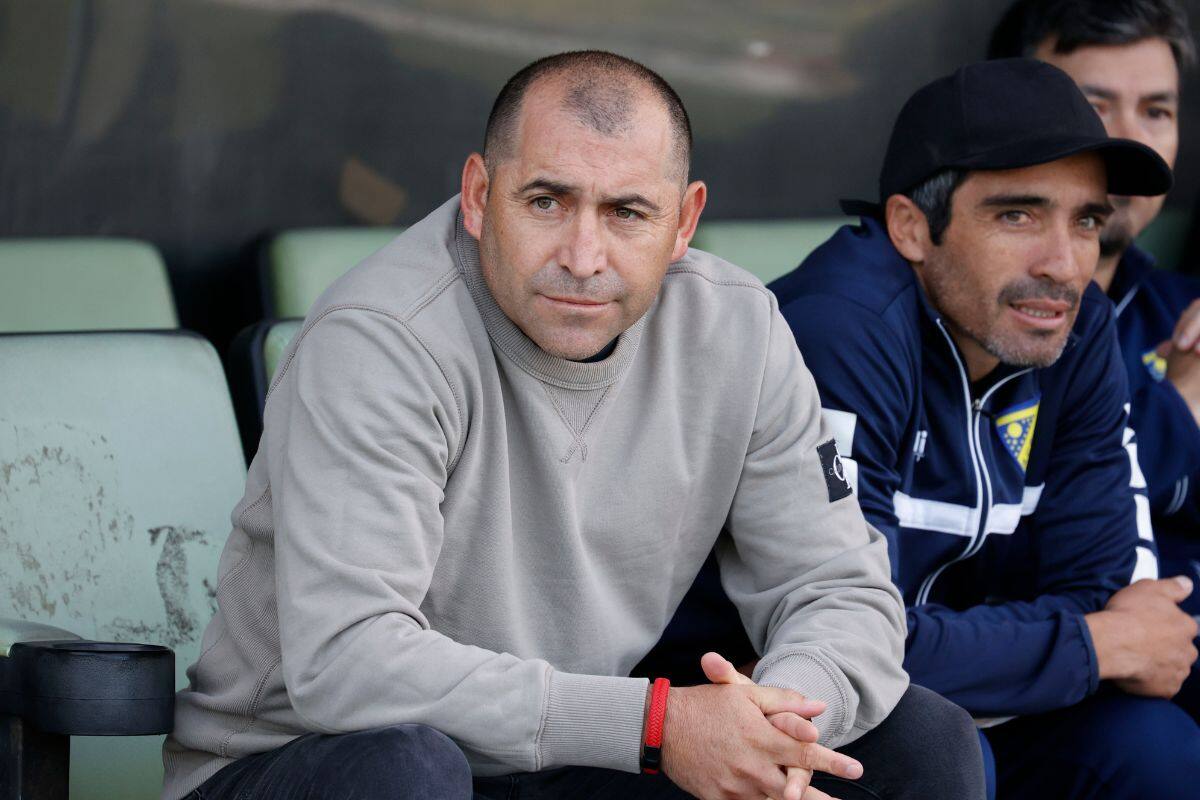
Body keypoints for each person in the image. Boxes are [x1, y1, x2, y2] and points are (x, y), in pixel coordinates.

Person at [161, 51, 984, 800]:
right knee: (409, 768)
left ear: (684, 222)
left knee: (922, 741)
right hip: (308, 764)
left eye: (628, 212)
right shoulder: (382, 339)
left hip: (564, 758)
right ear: (482, 196)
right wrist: (658, 727)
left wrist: (778, 728)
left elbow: (841, 590)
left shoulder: (739, 332)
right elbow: (349, 666)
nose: (584, 257)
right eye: (547, 201)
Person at [765, 58, 1200, 799]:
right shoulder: (843, 325)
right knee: (945, 750)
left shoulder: (1072, 321)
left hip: (972, 695)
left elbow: (1098, 586)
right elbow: (842, 637)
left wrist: (1068, 643)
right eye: (1017, 215)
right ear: (911, 227)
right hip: (776, 701)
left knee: (1153, 750)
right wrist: (1090, 646)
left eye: (1086, 220)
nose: (1064, 264)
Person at [989, 0, 1200, 721]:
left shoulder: (1183, 309)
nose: (1128, 141)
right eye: (1093, 104)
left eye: (1157, 112)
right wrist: (1183, 412)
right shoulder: (979, 315)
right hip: (1038, 693)